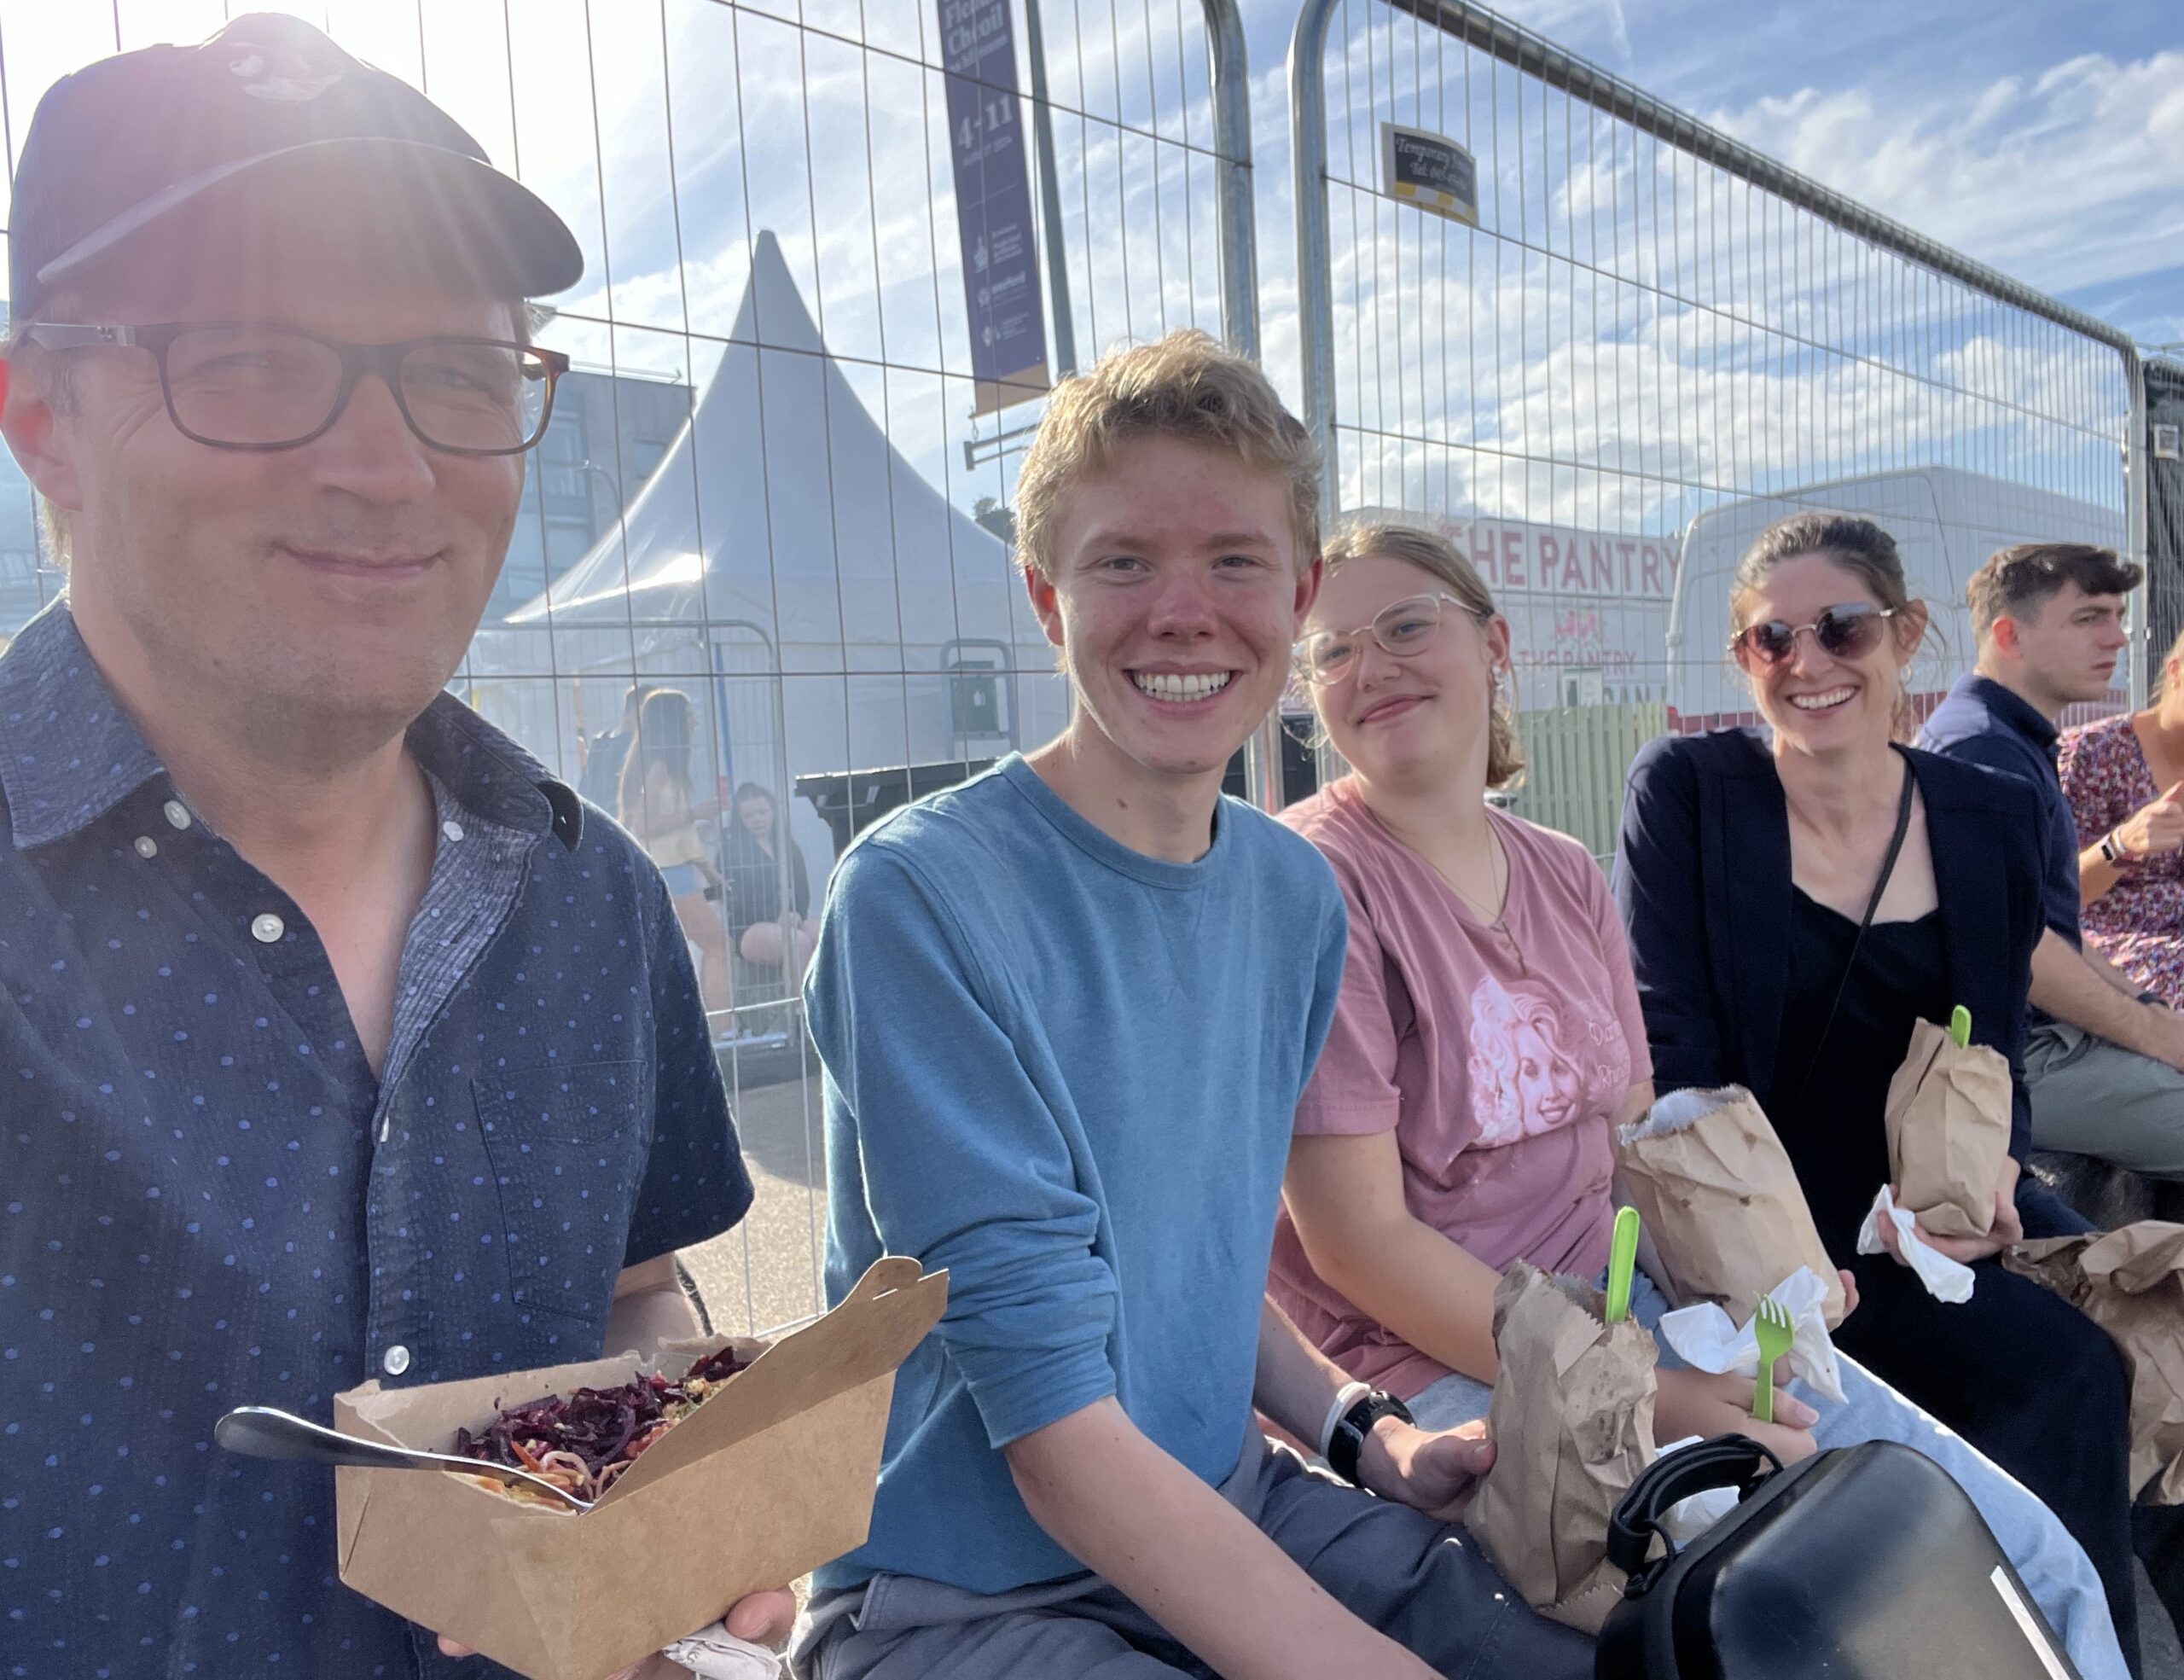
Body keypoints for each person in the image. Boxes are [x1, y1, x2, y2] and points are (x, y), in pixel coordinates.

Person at [0, 16, 787, 1677]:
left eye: (454, 372)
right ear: (42, 414)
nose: (388, 464)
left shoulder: (595, 902)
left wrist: (665, 1480)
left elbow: (638, 1289)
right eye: (252, 361)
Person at [791, 331, 1594, 1680]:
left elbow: (1187, 1262)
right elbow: (1057, 1435)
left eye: (1233, 559)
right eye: (1122, 562)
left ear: (1300, 591)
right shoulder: (921, 898)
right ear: (1047, 599)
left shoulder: (1290, 892)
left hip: (1234, 1501)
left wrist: (1360, 1431)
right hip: (963, 1598)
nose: (1184, 610)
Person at [1267, 520, 2123, 1675]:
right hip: (1449, 1359)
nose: (1371, 667)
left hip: (1636, 1305)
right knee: (1810, 1617)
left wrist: (1772, 1268)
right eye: (1332, 650)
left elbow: (1635, 1136)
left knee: (2025, 1556)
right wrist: (1659, 1390)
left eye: (1408, 625)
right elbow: (1360, 1243)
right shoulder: (1313, 882)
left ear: (1494, 644)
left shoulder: (1564, 872)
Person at [1614, 510, 2181, 1671]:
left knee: (2148, 1335)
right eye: (1773, 640)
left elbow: (1991, 1051)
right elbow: (1683, 1062)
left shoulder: (1991, 810)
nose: (1809, 663)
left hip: (1925, 1211)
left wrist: (1998, 1181)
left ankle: (2106, 1637)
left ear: (1908, 633)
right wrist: (1786, 1258)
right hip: (1761, 1226)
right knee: (2060, 1376)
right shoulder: (1692, 792)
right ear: (1743, 661)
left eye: (1843, 628)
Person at [1920, 544, 2184, 1181]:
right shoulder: (1981, 751)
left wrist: (2153, 1012)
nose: (2118, 638)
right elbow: (2024, 951)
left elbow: (2051, 928)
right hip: (2012, 1054)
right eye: (2088, 618)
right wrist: (2154, 1035)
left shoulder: (2016, 740)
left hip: (2047, 1036)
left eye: (2118, 616)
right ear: (2009, 634)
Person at [2063, 625, 2184, 1011]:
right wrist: (2124, 844)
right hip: (2115, 946)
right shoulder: (2094, 752)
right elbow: (2053, 893)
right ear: (2176, 671)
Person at [620, 687, 733, 1016]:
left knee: (678, 955)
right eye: (687, 714)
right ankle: (726, 1031)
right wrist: (698, 812)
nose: (694, 720)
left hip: (675, 871)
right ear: (672, 721)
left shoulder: (662, 764)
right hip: (668, 873)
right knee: (716, 946)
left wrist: (710, 872)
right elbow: (645, 825)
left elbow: (680, 838)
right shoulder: (657, 768)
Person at [720, 780, 816, 984]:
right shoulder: (729, 853)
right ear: (740, 819)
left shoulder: (788, 846)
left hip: (789, 921)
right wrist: (775, 918)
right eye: (749, 815)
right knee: (798, 943)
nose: (757, 819)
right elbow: (731, 900)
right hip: (748, 929)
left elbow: (802, 890)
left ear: (773, 811)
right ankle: (799, 1008)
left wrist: (796, 912)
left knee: (823, 934)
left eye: (762, 812)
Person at [581, 681, 651, 811]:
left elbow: (584, 791)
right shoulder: (637, 746)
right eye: (652, 711)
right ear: (635, 711)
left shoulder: (600, 744)